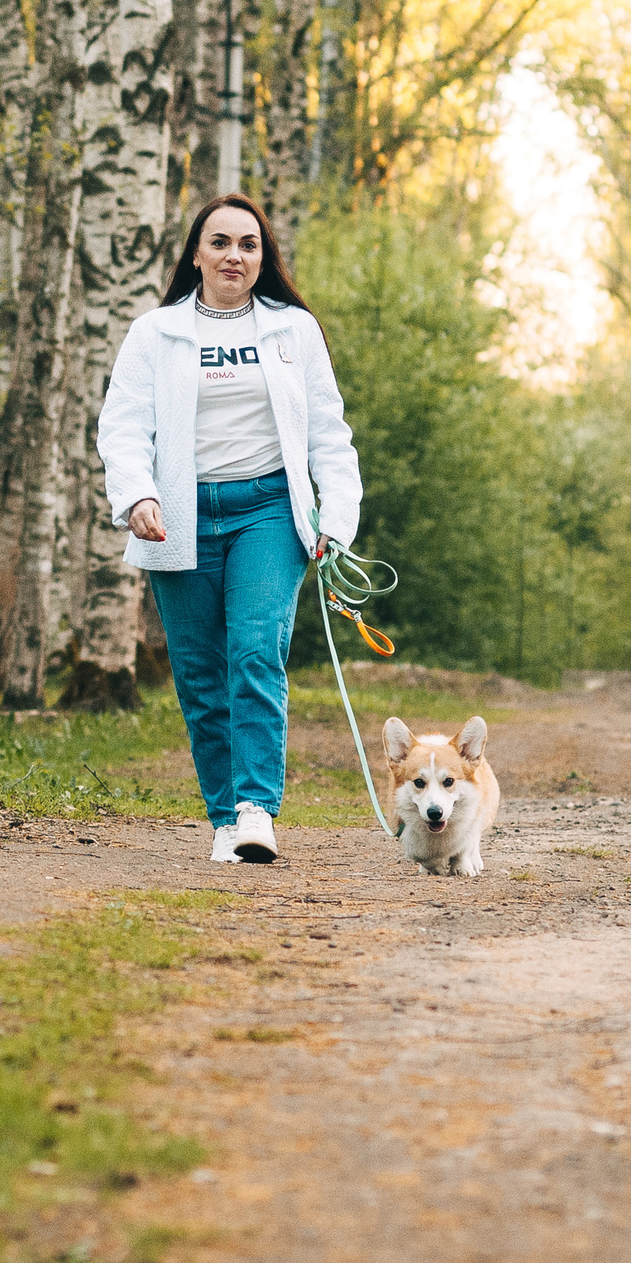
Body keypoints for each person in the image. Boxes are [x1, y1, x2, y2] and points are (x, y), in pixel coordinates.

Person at [95, 192, 362, 864]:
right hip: (179, 518)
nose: (234, 255)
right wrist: (137, 496)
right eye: (220, 242)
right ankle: (223, 817)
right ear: (196, 253)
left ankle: (254, 810)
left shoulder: (292, 330)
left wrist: (337, 515)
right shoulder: (155, 334)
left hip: (269, 510)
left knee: (253, 650)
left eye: (248, 243)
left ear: (263, 256)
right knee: (199, 674)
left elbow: (329, 431)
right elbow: (122, 425)